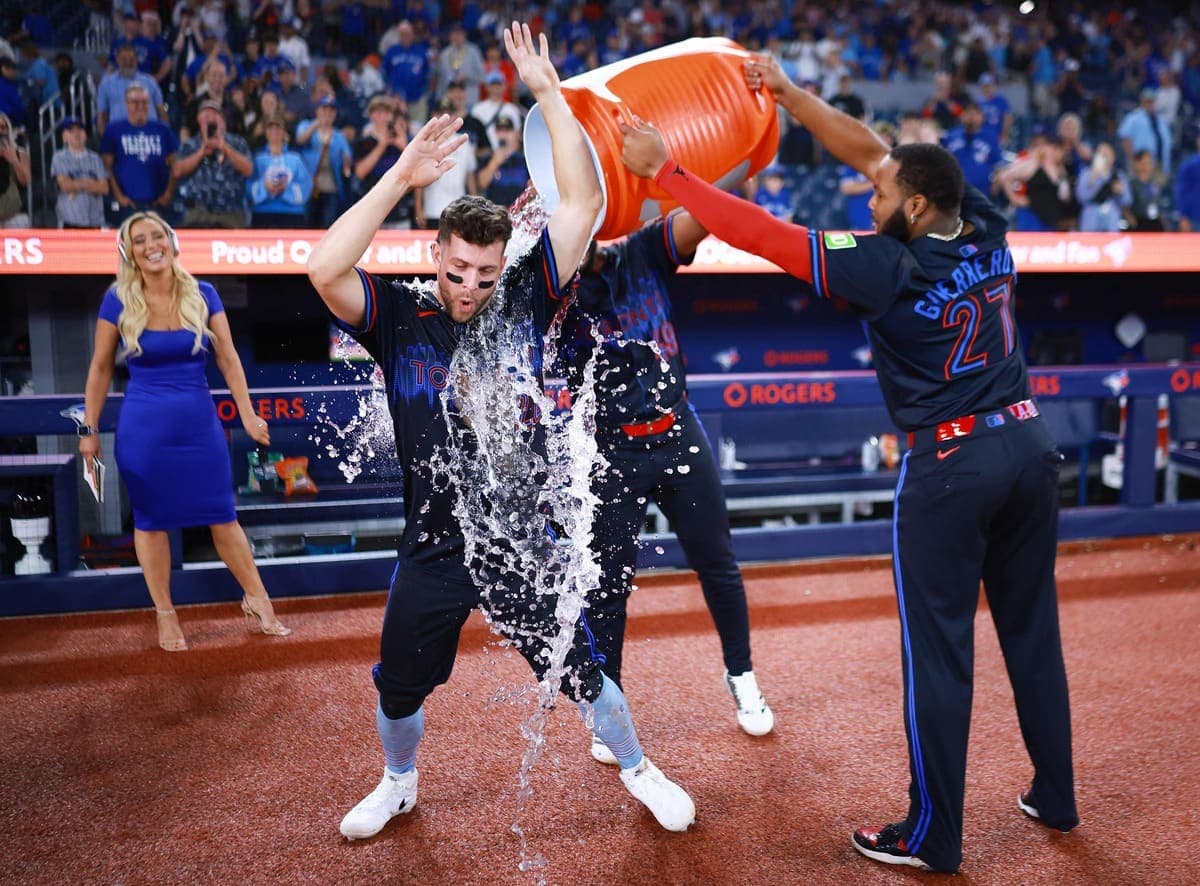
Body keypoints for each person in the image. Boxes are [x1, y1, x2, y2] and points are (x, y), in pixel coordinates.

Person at [619, 52, 1079, 874]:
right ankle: (1057, 794)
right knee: (1033, 635)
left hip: (952, 467)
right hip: (1030, 446)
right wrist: (791, 96)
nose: (869, 197)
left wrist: (669, 175)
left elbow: (763, 234)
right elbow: (876, 153)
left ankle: (932, 835)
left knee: (939, 657)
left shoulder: (885, 264)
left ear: (914, 206)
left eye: (880, 196)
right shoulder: (979, 219)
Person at [305, 22, 695, 841]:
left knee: (586, 670)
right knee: (398, 688)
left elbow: (582, 205)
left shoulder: (525, 297)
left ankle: (639, 768)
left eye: (485, 274)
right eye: (457, 271)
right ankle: (398, 782)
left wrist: (549, 94)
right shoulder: (400, 318)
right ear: (435, 254)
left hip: (521, 531)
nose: (470, 287)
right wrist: (398, 176)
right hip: (434, 542)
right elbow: (324, 268)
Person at [557, 207, 776, 768]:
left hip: (677, 430)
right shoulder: (553, 285)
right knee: (607, 586)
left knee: (717, 563)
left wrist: (665, 174)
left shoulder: (642, 250)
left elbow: (708, 212)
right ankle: (609, 710)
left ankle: (742, 675)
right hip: (610, 447)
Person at [80, 212, 290, 653]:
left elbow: (228, 358)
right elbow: (99, 368)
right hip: (144, 433)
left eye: (157, 236)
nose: (150, 245)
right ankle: (165, 612)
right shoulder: (117, 299)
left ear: (172, 242)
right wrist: (89, 428)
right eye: (140, 240)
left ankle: (257, 598)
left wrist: (249, 415)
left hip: (199, 427)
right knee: (151, 521)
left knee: (222, 514)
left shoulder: (204, 293)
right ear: (129, 252)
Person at [100, 83, 178, 226]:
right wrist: (119, 196)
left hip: (158, 202)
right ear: (126, 104)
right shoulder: (113, 130)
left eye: (145, 102)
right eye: (135, 102)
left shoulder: (163, 130)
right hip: (127, 203)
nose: (140, 106)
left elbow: (175, 165)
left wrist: (168, 193)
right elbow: (106, 167)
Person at [174, 99, 253, 228]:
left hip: (230, 212)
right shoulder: (190, 145)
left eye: (215, 115)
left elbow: (248, 170)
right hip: (199, 212)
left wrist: (226, 148)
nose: (210, 119)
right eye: (206, 116)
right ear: (199, 121)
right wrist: (201, 153)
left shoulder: (237, 142)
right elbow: (177, 171)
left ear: (222, 121)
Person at [296, 95, 353, 227]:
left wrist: (346, 161)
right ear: (317, 110)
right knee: (308, 223)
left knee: (328, 223)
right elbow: (300, 140)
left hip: (330, 186)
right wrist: (317, 124)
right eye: (324, 109)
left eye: (331, 110)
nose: (327, 113)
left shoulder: (338, 135)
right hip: (310, 185)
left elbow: (348, 157)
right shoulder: (306, 125)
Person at [247, 114, 311, 227]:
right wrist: (264, 187)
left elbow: (306, 184)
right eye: (270, 128)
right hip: (263, 213)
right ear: (265, 132)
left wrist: (286, 189)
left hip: (292, 213)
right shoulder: (257, 158)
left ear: (284, 132)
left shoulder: (296, 159)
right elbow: (248, 184)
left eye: (278, 128)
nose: (274, 131)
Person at [51, 116, 108, 228]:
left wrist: (75, 185)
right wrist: (91, 183)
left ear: (85, 134)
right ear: (64, 137)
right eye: (71, 131)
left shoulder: (95, 158)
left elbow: (104, 188)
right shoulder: (59, 157)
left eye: (80, 129)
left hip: (95, 222)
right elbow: (65, 186)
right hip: (69, 221)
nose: (76, 133)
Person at [0, 111, 31, 228]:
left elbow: (25, 181)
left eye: (3, 127)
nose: (0, 131)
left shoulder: (20, 153)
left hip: (14, 215)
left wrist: (14, 160)